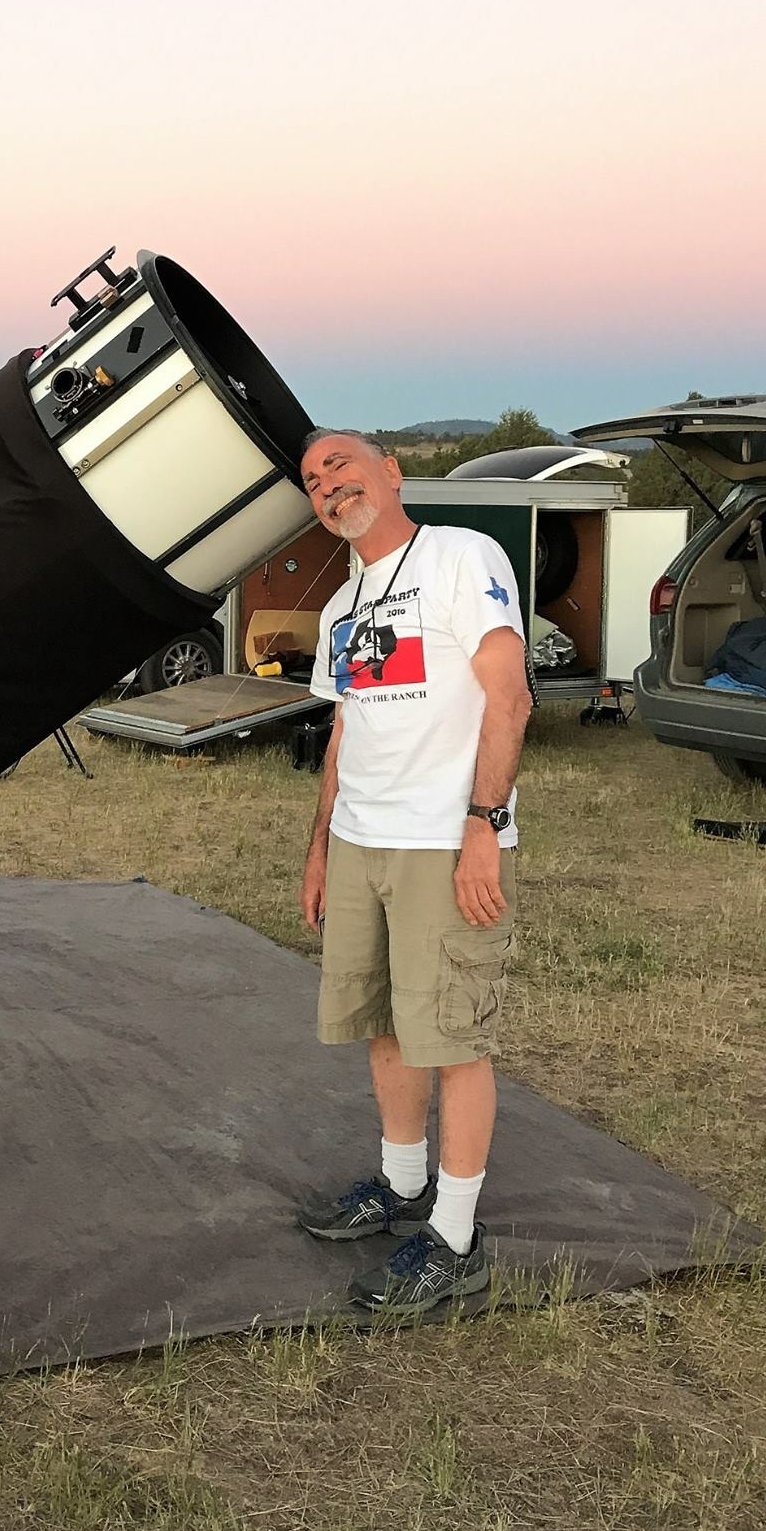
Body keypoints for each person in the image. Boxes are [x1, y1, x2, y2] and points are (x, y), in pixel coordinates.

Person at [295, 428, 533, 1318]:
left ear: (391, 473)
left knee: (454, 1038)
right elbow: (345, 730)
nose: (328, 485)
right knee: (385, 1023)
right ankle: (401, 1184)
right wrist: (321, 848)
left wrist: (484, 823)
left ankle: (456, 1239)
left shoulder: (460, 557)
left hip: (445, 841)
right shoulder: (340, 605)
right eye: (313, 480)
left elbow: (509, 693)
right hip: (362, 841)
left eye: (341, 464)